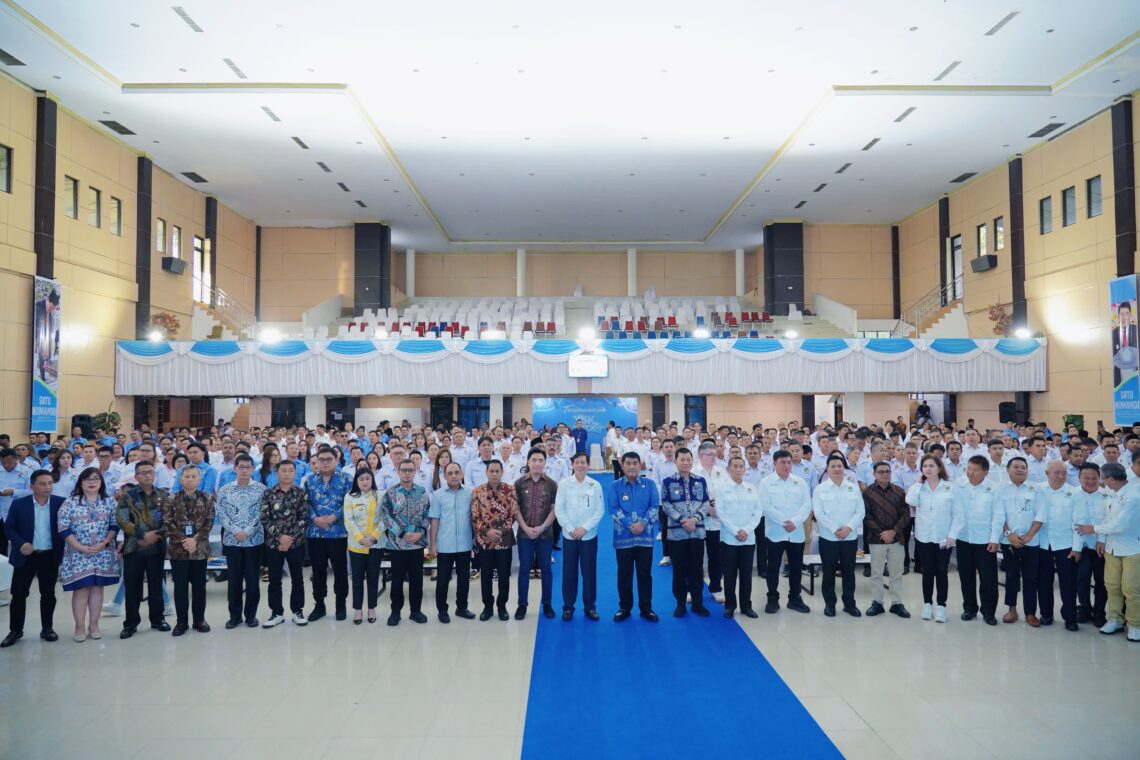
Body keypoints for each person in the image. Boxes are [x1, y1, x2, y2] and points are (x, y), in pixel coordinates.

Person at [1, 470, 65, 647]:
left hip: (49, 556)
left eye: (50, 483)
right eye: (42, 484)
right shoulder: (19, 504)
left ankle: (47, 628)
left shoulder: (60, 503)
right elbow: (9, 527)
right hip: (25, 556)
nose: (47, 487)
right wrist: (20, 543)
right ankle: (15, 630)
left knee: (48, 594)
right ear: (31, 486)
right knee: (19, 594)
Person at [1077, 461, 1140, 641]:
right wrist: (1101, 540)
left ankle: (1135, 624)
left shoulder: (1133, 496)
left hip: (1132, 549)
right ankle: (1115, 619)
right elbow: (1106, 518)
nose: (1101, 482)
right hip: (1111, 548)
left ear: (1111, 479)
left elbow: (1120, 525)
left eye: (1103, 479)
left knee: (1131, 588)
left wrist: (1093, 529)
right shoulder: (1112, 493)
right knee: (1112, 586)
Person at [57, 467, 120, 641]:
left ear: (101, 482)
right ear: (80, 482)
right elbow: (63, 528)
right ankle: (79, 626)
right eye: (87, 479)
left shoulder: (109, 501)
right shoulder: (70, 502)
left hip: (102, 551)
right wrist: (79, 547)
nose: (92, 482)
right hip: (78, 553)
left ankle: (94, 625)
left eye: (95, 479)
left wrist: (104, 543)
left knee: (97, 588)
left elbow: (114, 525)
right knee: (81, 589)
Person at [115, 462, 171, 638]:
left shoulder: (163, 495)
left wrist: (156, 535)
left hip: (157, 547)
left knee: (156, 585)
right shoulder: (128, 496)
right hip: (134, 548)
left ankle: (158, 619)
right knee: (133, 587)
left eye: (150, 472)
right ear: (136, 476)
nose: (147, 475)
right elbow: (122, 520)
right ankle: (131, 623)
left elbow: (170, 520)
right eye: (143, 473)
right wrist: (143, 535)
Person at [160, 466, 215, 636]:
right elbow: (168, 522)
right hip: (179, 550)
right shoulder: (171, 499)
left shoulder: (207, 498)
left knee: (199, 587)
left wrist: (195, 540)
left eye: (193, 476)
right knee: (180, 588)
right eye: (187, 476)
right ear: (181, 479)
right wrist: (185, 540)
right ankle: (181, 622)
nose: (190, 479)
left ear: (199, 479)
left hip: (199, 550)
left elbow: (209, 522)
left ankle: (199, 620)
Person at [607, 451, 659, 622]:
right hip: (623, 538)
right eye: (628, 463)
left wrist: (642, 523)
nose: (631, 466)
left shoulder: (650, 484)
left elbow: (654, 506)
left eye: (635, 463)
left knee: (645, 575)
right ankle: (624, 607)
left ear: (640, 465)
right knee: (624, 574)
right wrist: (631, 524)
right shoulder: (615, 486)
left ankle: (646, 608)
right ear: (622, 465)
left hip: (645, 538)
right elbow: (613, 509)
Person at [949, 456, 1002, 625]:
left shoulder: (994, 488)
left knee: (988, 579)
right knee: (966, 576)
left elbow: (998, 516)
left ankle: (988, 612)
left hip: (985, 540)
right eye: (969, 469)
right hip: (964, 538)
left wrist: (994, 539)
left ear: (985, 472)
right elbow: (953, 510)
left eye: (975, 470)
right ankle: (970, 608)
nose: (970, 473)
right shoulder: (959, 485)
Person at [660, 447, 712, 617]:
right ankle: (680, 604)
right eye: (682, 459)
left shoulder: (701, 481)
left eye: (688, 459)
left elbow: (706, 503)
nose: (685, 462)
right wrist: (683, 520)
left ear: (692, 460)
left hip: (697, 533)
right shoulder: (668, 482)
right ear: (676, 461)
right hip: (677, 534)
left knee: (696, 569)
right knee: (679, 570)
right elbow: (666, 504)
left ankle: (697, 603)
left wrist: (694, 519)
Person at [905, 454, 957, 623]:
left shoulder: (950, 487)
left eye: (932, 465)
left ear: (939, 468)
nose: (928, 468)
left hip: (944, 537)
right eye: (925, 466)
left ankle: (941, 606)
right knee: (927, 571)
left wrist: (952, 535)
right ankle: (927, 604)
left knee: (941, 571)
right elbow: (910, 500)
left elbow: (958, 514)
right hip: (924, 536)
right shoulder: (919, 487)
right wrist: (918, 483)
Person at [813, 454, 865, 618]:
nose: (836, 469)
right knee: (828, 572)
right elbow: (819, 513)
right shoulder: (820, 489)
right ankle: (830, 605)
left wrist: (848, 528)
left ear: (845, 469)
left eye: (839, 466)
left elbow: (860, 511)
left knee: (849, 573)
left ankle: (849, 604)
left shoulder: (853, 488)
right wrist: (836, 529)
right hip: (828, 538)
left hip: (849, 538)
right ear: (827, 469)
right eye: (833, 466)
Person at [217, 453, 265, 629]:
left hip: (254, 541)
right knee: (234, 580)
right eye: (241, 467)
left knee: (252, 580)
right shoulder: (225, 490)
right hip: (232, 541)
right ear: (235, 468)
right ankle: (234, 616)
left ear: (252, 469)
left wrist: (248, 531)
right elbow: (221, 513)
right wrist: (236, 530)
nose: (244, 470)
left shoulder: (261, 489)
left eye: (248, 467)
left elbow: (262, 513)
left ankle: (251, 616)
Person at [554, 452, 605, 621]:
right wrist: (570, 529)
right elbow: (559, 509)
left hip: (589, 536)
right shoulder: (564, 484)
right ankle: (568, 607)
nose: (580, 465)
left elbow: (599, 511)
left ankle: (590, 607)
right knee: (569, 573)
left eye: (583, 462)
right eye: (577, 462)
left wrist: (584, 528)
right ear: (572, 465)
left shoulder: (595, 485)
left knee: (589, 573)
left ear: (588, 465)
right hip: (569, 537)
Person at [760, 450, 812, 614]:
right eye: (783, 462)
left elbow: (806, 504)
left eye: (789, 462)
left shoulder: (799, 482)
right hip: (775, 532)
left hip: (796, 533)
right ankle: (772, 599)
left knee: (796, 567)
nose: (786, 465)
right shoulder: (766, 483)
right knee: (773, 567)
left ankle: (795, 598)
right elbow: (766, 506)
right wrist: (785, 521)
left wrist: (794, 522)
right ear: (774, 463)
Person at [997, 457, 1046, 626]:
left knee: (1031, 577)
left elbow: (1041, 514)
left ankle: (1030, 613)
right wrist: (1009, 534)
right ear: (1008, 470)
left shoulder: (1036, 488)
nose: (1020, 469)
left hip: (1031, 541)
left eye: (1023, 467)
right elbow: (998, 514)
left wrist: (1030, 535)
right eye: (1016, 466)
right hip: (1009, 540)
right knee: (1011, 576)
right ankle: (1012, 609)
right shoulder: (1001, 489)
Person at [260, 460, 310, 627]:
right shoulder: (268, 493)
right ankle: (277, 613)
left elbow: (304, 518)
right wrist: (280, 537)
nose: (287, 473)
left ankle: (297, 611)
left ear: (295, 473)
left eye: (290, 470)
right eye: (284, 470)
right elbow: (264, 518)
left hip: (296, 544)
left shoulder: (301, 493)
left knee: (297, 578)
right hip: (274, 544)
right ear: (277, 473)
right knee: (274, 579)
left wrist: (289, 539)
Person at [381, 459, 431, 626]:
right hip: (397, 545)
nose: (407, 473)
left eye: (410, 470)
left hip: (417, 544)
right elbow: (386, 517)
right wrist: (402, 533)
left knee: (417, 580)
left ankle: (416, 611)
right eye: (404, 470)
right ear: (398, 471)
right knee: (396, 581)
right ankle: (395, 612)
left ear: (415, 471)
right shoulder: (390, 493)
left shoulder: (422, 492)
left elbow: (427, 515)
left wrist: (420, 533)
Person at [305, 448, 351, 622]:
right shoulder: (310, 480)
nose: (325, 462)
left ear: (336, 460)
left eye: (328, 459)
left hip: (338, 534)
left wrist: (334, 517)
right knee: (318, 572)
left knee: (340, 571)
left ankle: (341, 605)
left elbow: (351, 502)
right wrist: (314, 518)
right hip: (315, 533)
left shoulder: (346, 479)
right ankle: (319, 606)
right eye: (321, 459)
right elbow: (305, 503)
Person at [1037, 460, 1084, 631]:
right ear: (1047, 473)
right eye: (1056, 472)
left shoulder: (1074, 492)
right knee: (1044, 581)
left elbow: (1078, 522)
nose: (1061, 476)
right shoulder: (1038, 490)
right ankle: (1046, 614)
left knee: (1068, 582)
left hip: (1066, 544)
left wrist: (1077, 547)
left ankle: (1070, 617)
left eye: (1064, 473)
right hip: (1042, 543)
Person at [471, 460, 520, 620]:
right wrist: (487, 532)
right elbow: (475, 516)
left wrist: (499, 531)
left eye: (497, 471)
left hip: (504, 539)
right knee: (485, 575)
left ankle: (502, 607)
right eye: (491, 471)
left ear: (502, 472)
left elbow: (513, 514)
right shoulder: (477, 491)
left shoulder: (510, 490)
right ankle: (487, 607)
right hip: (484, 540)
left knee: (504, 575)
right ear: (486, 472)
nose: (494, 474)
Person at [428, 461, 475, 623]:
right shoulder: (438, 495)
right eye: (450, 473)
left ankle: (462, 608)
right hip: (445, 544)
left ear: (461, 474)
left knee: (464, 579)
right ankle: (442, 610)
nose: (454, 476)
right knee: (442, 580)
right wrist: (432, 544)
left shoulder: (470, 493)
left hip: (464, 544)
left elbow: (474, 518)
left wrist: (475, 541)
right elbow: (434, 520)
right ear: (445, 476)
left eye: (456, 472)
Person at [862, 461, 910, 618]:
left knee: (896, 573)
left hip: (897, 539)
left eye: (887, 471)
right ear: (874, 474)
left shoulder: (899, 491)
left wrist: (893, 532)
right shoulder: (867, 492)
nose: (884, 474)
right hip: (876, 539)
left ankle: (896, 603)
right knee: (876, 572)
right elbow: (866, 516)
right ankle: (877, 603)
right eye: (881, 471)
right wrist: (883, 533)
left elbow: (906, 514)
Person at [514, 448, 558, 620]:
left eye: (540, 460)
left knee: (546, 569)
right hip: (524, 535)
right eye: (534, 460)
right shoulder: (519, 484)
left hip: (545, 535)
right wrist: (525, 527)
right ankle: (522, 605)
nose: (537, 463)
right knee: (524, 569)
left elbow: (554, 510)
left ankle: (547, 604)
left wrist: (542, 527)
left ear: (545, 463)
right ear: (528, 462)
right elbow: (516, 509)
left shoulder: (552, 484)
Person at [717, 456, 763, 619]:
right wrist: (736, 531)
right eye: (735, 466)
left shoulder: (751, 489)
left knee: (746, 575)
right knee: (729, 574)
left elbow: (758, 512)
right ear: (728, 469)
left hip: (748, 539)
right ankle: (730, 605)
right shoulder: (722, 489)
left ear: (745, 469)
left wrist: (747, 530)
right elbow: (721, 513)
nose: (738, 469)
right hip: (729, 539)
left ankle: (746, 606)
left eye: (741, 466)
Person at [1072, 463, 1110, 627]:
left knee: (1102, 581)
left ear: (1100, 478)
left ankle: (1099, 612)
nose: (1090, 481)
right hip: (1083, 546)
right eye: (1086, 478)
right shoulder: (1073, 495)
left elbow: (1108, 521)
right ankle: (1084, 609)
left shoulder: (1107, 495)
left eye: (1094, 478)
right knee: (1082, 579)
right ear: (1079, 478)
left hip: (1103, 545)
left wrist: (1101, 539)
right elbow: (1073, 523)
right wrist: (1076, 548)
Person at [344, 468, 383, 624]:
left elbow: (385, 519)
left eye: (368, 478)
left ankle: (372, 608)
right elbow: (348, 521)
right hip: (356, 545)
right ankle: (358, 609)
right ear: (356, 481)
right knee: (357, 579)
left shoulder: (380, 496)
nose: (365, 482)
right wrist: (361, 539)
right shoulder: (350, 497)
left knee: (373, 578)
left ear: (372, 479)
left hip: (376, 544)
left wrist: (373, 537)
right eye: (361, 479)